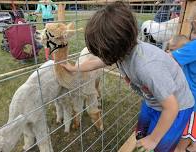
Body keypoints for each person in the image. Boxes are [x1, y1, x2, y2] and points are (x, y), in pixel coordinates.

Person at [61, 1, 194, 151]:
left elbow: (171, 107)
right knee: (142, 134)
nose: (101, 56)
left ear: (115, 47)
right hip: (153, 100)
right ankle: (145, 139)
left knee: (159, 145)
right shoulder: (121, 51)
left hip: (176, 108)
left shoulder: (147, 67)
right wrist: (74, 68)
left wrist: (154, 139)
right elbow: (96, 62)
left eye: (102, 52)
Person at [168, 34, 196, 152]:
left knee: (180, 144)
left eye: (172, 49)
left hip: (191, 107)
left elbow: (168, 58)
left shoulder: (192, 48)